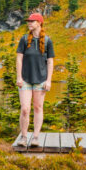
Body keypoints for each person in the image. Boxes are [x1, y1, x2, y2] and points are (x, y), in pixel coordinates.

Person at [15, 11, 54, 149]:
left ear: (39, 23)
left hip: (41, 80)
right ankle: (24, 136)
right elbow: (19, 59)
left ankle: (36, 137)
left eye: (32, 21)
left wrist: (48, 80)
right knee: (25, 109)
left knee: (38, 107)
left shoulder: (48, 41)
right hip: (25, 79)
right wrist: (19, 77)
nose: (29, 23)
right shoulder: (24, 39)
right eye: (29, 21)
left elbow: (50, 62)